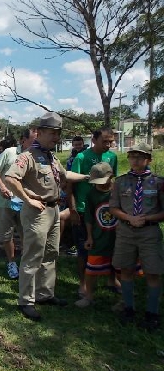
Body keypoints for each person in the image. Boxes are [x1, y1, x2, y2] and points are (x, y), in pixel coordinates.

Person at [5, 112, 90, 321]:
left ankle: (45, 294)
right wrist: (28, 199)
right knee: (33, 256)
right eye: (52, 133)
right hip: (37, 213)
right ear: (40, 132)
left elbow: (65, 175)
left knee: (51, 253)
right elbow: (10, 178)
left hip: (53, 210)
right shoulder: (28, 156)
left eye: (58, 133)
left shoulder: (51, 156)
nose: (56, 137)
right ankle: (26, 301)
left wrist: (88, 176)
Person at [109, 143, 164, 331]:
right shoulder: (120, 182)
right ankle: (128, 308)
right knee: (126, 269)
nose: (135, 160)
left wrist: (146, 218)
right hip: (126, 231)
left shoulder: (158, 182)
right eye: (132, 156)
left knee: (153, 272)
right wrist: (129, 218)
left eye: (140, 157)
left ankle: (152, 313)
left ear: (149, 159)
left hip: (149, 232)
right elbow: (113, 207)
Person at [67, 127, 118, 298]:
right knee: (83, 248)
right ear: (94, 140)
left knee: (111, 244)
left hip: (106, 211)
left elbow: (113, 180)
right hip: (83, 210)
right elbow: (70, 185)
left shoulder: (112, 157)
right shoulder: (81, 157)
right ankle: (83, 284)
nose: (108, 145)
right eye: (104, 141)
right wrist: (73, 209)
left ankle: (112, 278)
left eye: (110, 141)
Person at [0, 128, 37, 279]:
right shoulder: (9, 152)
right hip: (5, 201)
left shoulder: (37, 155)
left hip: (26, 202)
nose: (37, 143)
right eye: (34, 140)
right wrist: (2, 187)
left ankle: (25, 263)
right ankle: (11, 263)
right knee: (6, 235)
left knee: (26, 234)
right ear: (23, 140)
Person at [74, 162, 117, 307]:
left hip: (118, 235)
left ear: (111, 177)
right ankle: (88, 296)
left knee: (121, 265)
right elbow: (88, 217)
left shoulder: (117, 191)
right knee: (92, 267)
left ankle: (123, 294)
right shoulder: (92, 194)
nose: (100, 185)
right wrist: (89, 236)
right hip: (98, 236)